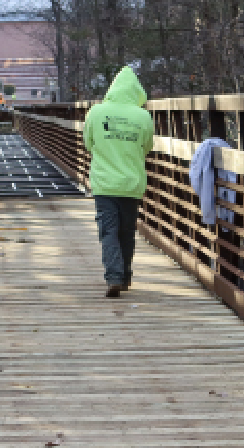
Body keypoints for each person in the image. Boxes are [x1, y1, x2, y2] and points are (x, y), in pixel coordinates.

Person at [83, 66, 154, 298]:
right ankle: (125, 276)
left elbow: (88, 142)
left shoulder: (96, 112)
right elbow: (147, 147)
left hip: (105, 183)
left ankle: (114, 277)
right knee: (127, 231)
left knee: (108, 231)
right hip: (131, 184)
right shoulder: (143, 116)